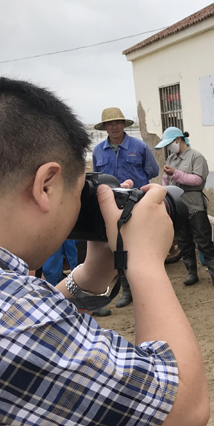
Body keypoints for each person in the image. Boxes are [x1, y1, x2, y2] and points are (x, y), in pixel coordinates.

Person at [0, 77, 209, 426]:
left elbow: (33, 322)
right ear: (46, 185)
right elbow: (183, 406)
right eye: (79, 191)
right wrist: (144, 261)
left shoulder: (19, 307)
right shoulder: (18, 323)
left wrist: (94, 271)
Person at [92, 106, 159, 311]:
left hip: (137, 203)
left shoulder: (139, 146)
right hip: (111, 206)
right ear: (105, 127)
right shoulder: (98, 151)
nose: (114, 127)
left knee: (143, 246)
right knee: (118, 246)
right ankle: (127, 291)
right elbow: (97, 179)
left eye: (118, 122)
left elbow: (153, 171)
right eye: (110, 124)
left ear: (124, 125)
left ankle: (147, 289)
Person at [156, 127, 214, 287]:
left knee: (203, 238)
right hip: (178, 205)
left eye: (169, 144)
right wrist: (165, 192)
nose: (168, 148)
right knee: (183, 240)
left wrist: (175, 173)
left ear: (178, 139)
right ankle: (191, 273)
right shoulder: (171, 159)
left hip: (194, 203)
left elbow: (197, 180)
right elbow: (165, 180)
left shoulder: (196, 156)